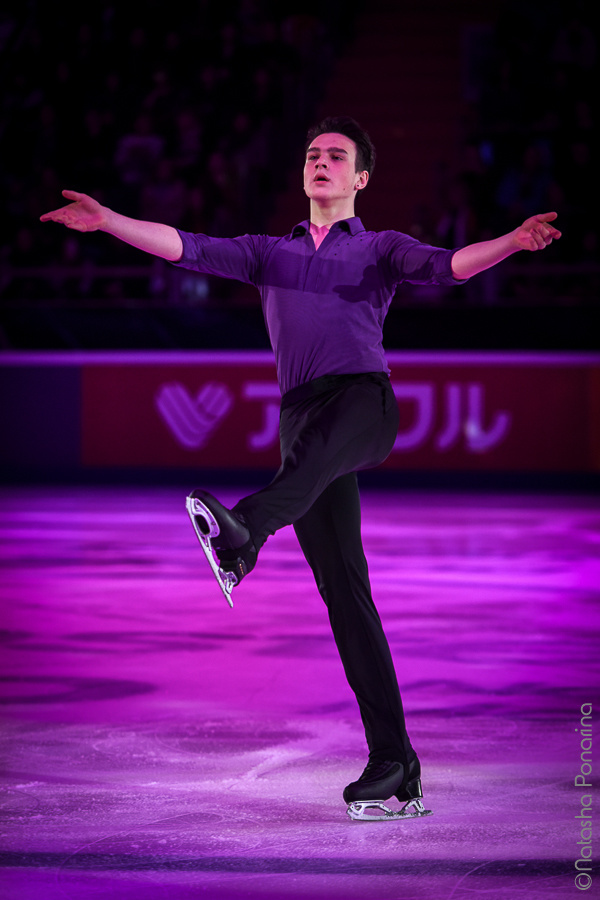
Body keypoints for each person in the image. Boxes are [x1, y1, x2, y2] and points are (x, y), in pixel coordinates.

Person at [41, 115, 561, 820]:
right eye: (313, 154)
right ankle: (394, 763)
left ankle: (243, 533)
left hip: (363, 403)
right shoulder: (267, 251)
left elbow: (448, 267)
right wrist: (108, 222)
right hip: (302, 419)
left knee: (309, 470)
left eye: (336, 156)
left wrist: (512, 242)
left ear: (360, 178)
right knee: (346, 597)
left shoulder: (381, 247)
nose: (320, 162)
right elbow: (186, 248)